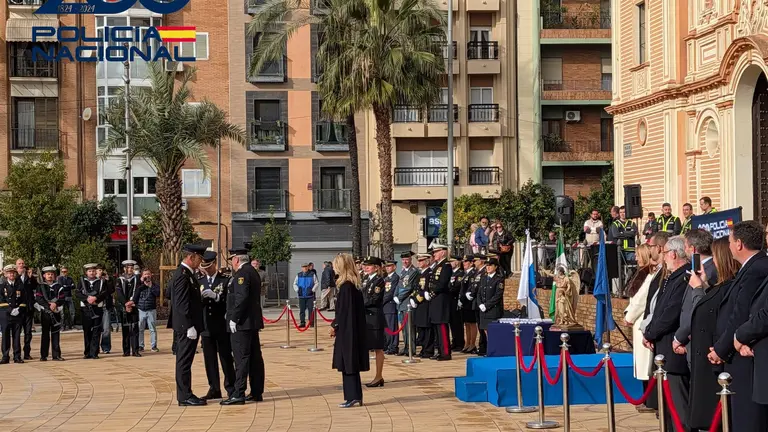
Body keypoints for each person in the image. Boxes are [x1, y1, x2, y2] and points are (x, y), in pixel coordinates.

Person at [709, 221, 768, 431]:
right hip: (738, 350)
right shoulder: (751, 267)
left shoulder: (757, 268)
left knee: (747, 419)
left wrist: (723, 347)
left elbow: (742, 313)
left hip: (746, 355)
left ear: (740, 244)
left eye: (731, 241)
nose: (730, 246)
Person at [687, 237, 739, 431]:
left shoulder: (730, 287)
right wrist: (704, 285)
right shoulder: (719, 286)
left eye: (716, 257)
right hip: (705, 364)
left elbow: (711, 315)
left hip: (714, 363)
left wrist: (699, 289)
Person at [642, 235, 690, 431]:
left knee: (679, 409)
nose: (663, 257)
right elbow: (658, 308)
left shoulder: (683, 278)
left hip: (673, 351)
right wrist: (650, 332)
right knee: (668, 410)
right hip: (663, 349)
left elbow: (671, 313)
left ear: (673, 253)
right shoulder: (672, 277)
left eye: (665, 253)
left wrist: (651, 332)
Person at [221, 248, 265, 405]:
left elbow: (242, 298)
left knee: (241, 358)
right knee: (254, 357)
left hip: (242, 323)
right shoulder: (252, 271)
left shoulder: (242, 274)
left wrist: (234, 318)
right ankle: (256, 391)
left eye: (232, 260)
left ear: (237, 260)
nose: (232, 263)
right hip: (251, 322)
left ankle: (238, 392)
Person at [194, 251, 235, 401]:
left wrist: (217, 296)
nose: (207, 270)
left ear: (215, 265)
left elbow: (229, 301)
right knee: (209, 360)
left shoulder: (225, 280)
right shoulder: (199, 280)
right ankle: (214, 388)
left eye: (209, 267)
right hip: (206, 326)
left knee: (226, 358)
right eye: (205, 267)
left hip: (221, 326)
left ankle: (231, 388)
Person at [329, 253, 369, 408]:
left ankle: (353, 396)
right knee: (348, 363)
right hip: (351, 329)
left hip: (348, 331)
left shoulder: (347, 287)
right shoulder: (351, 286)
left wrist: (335, 326)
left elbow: (344, 312)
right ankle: (353, 395)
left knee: (349, 362)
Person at [672, 229, 717, 359]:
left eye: (685, 246)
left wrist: (679, 337)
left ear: (693, 249)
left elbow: (697, 307)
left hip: (697, 339)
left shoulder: (710, 272)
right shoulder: (698, 269)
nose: (684, 250)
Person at [171, 244, 207, 407]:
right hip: (186, 327)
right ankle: (184, 396)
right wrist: (188, 325)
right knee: (184, 361)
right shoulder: (182, 275)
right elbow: (181, 303)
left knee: (186, 361)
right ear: (191, 257)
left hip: (189, 325)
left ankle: (186, 393)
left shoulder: (188, 274)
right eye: (199, 258)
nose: (200, 261)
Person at [623, 244, 656, 412]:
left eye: (637, 255)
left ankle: (650, 401)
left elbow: (641, 299)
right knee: (643, 364)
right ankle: (646, 398)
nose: (635, 258)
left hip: (642, 320)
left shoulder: (649, 275)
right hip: (638, 320)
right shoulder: (642, 273)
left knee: (647, 365)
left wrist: (629, 316)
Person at [360, 256, 386, 387]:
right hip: (366, 317)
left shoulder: (379, 281)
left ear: (376, 267)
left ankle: (378, 376)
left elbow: (374, 299)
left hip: (374, 317)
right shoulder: (365, 279)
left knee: (378, 348)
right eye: (365, 265)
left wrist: (359, 304)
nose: (366, 267)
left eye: (369, 266)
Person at [76, 263, 109, 360]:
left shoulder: (101, 282)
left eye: (93, 271)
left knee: (96, 330)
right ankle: (87, 352)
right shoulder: (82, 281)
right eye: (90, 271)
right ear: (86, 272)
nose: (92, 273)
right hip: (86, 309)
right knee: (87, 331)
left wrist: (95, 298)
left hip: (97, 308)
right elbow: (77, 293)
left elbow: (104, 293)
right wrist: (87, 299)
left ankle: (94, 352)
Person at [426, 244, 453, 361]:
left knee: (442, 327)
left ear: (443, 252)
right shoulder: (437, 266)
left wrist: (432, 293)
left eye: (436, 252)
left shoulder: (446, 266)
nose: (434, 254)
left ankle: (445, 352)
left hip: (441, 299)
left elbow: (442, 283)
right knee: (437, 327)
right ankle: (440, 351)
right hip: (435, 300)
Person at [35, 266, 65, 361]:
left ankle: (56, 355)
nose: (50, 276)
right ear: (44, 275)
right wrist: (48, 306)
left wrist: (55, 304)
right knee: (45, 334)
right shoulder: (41, 286)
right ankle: (43, 355)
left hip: (56, 312)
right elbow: (39, 299)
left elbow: (62, 298)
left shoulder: (58, 287)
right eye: (48, 274)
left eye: (52, 274)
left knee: (56, 334)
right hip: (46, 312)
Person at [476, 257, 504, 357]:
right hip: (483, 310)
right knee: (485, 331)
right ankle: (490, 351)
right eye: (487, 265)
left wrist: (487, 305)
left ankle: (494, 351)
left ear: (495, 267)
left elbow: (497, 295)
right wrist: (480, 304)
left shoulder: (498, 279)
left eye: (490, 265)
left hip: (493, 309)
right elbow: (479, 293)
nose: (488, 267)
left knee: (492, 332)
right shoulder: (483, 278)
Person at [1, 265, 26, 363]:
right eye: (9, 272)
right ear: (6, 274)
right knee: (5, 336)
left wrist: (19, 309)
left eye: (13, 272)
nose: (11, 274)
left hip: (17, 314)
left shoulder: (20, 286)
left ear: (15, 274)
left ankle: (17, 356)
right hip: (5, 315)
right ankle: (5, 356)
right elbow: (1, 300)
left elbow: (24, 300)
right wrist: (10, 310)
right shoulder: (2, 286)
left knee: (17, 336)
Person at [395, 251, 419, 356]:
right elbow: (399, 285)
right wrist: (395, 295)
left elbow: (408, 287)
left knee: (410, 328)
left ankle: (411, 349)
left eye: (407, 259)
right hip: (401, 303)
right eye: (403, 260)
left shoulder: (413, 271)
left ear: (410, 259)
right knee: (404, 328)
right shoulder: (403, 272)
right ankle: (406, 347)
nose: (405, 261)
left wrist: (399, 297)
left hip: (408, 301)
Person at [410, 253, 434, 358]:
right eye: (418, 261)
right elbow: (416, 288)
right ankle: (424, 349)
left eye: (421, 261)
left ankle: (428, 350)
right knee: (421, 329)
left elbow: (425, 290)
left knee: (427, 329)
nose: (419, 263)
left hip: (425, 305)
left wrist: (417, 299)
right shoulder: (420, 274)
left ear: (427, 262)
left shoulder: (429, 273)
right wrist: (412, 298)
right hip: (418, 305)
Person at [116, 260, 140, 357]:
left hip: (133, 305)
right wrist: (125, 304)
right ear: (124, 269)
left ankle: (135, 350)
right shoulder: (120, 279)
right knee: (125, 329)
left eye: (132, 268)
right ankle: (126, 351)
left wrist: (132, 302)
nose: (130, 270)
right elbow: (119, 293)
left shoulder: (136, 279)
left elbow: (138, 291)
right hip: (124, 307)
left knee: (134, 328)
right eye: (128, 268)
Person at [134, 269, 160, 352]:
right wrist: (141, 283)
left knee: (152, 328)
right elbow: (135, 294)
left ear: (151, 275)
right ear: (142, 276)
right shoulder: (139, 285)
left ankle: (153, 345)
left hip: (151, 309)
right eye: (145, 274)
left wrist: (150, 286)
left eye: (148, 274)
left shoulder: (154, 285)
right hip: (141, 309)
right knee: (140, 328)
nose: (147, 276)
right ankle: (140, 345)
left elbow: (158, 294)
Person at [16, 259, 36, 360]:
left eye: (23, 263)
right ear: (16, 266)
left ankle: (27, 353)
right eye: (19, 264)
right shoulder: (14, 277)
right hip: (18, 309)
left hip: (28, 309)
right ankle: (17, 354)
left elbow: (35, 286)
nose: (21, 265)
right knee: (17, 332)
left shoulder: (29, 277)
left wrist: (31, 276)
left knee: (28, 332)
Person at [458, 254, 477, 353]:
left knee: (472, 323)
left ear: (471, 263)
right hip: (464, 302)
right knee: (467, 324)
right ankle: (467, 343)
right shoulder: (465, 273)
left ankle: (472, 343)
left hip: (470, 302)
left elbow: (471, 288)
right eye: (463, 262)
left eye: (466, 262)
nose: (464, 263)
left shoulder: (473, 273)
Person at [381, 260, 400, 355]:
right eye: (386, 266)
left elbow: (390, 292)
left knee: (392, 327)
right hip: (384, 306)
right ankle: (388, 345)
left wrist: (381, 301)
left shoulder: (395, 278)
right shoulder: (386, 278)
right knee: (386, 328)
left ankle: (393, 346)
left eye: (390, 266)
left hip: (390, 305)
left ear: (394, 267)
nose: (387, 268)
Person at [96, 264, 115, 355]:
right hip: (96, 307)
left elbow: (111, 290)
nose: (100, 272)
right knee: (96, 328)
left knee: (106, 328)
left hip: (106, 306)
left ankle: (106, 347)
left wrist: (107, 280)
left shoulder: (108, 280)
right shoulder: (93, 280)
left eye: (102, 270)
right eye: (99, 270)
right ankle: (95, 347)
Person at [293, 263, 319, 327]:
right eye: (303, 267)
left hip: (310, 296)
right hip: (301, 295)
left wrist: (312, 290)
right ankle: (302, 323)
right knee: (302, 310)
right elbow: (294, 284)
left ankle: (311, 323)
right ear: (301, 268)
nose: (305, 268)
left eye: (306, 266)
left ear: (308, 267)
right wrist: (297, 290)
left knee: (311, 310)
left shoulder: (312, 274)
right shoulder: (298, 275)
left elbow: (316, 283)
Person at [448, 255, 465, 352]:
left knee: (457, 323)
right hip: (450, 300)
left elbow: (457, 286)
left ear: (457, 262)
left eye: (452, 261)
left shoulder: (460, 273)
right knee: (452, 323)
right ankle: (454, 341)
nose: (451, 263)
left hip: (456, 299)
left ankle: (459, 342)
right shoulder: (451, 273)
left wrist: (449, 290)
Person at [57, 266, 76, 330]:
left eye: (65, 271)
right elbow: (61, 287)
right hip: (62, 297)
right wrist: (69, 286)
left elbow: (74, 286)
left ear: (67, 272)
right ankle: (63, 326)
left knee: (72, 312)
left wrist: (66, 286)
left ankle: (71, 325)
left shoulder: (70, 278)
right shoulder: (59, 278)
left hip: (69, 297)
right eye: (62, 271)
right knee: (62, 313)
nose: (64, 273)